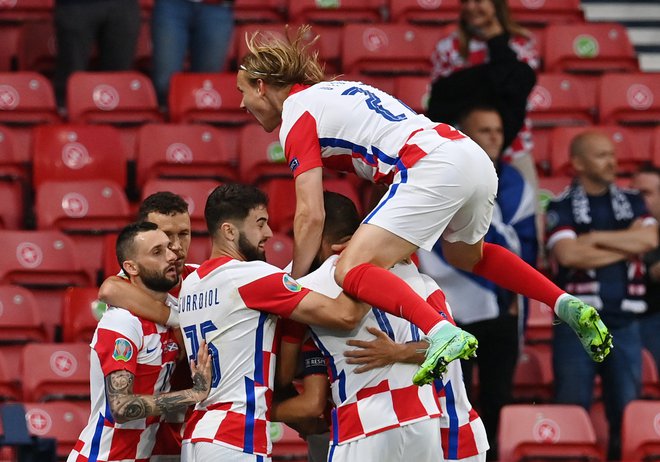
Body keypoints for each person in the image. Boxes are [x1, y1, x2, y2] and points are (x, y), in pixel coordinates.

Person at [236, 24, 612, 386]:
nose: (241, 103)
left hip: (427, 166)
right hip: (468, 155)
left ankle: (440, 331)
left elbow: (310, 213)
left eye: (243, 93)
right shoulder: (337, 91)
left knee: (350, 269)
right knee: (469, 256)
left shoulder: (296, 114)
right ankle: (562, 302)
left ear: (261, 86)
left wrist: (296, 282)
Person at [273, 191, 488, 462]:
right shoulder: (414, 275)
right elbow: (454, 345)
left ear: (315, 234)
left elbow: (283, 371)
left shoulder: (310, 285)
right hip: (424, 418)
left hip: (364, 424)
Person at [177, 183, 372, 461]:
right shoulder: (251, 276)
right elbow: (345, 315)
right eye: (260, 224)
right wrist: (371, 265)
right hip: (235, 437)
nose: (268, 234)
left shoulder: (191, 284)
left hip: (197, 436)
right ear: (229, 231)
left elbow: (279, 374)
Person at [417, 104, 536, 459]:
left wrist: (515, 287)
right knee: (455, 395)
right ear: (464, 134)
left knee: (499, 395)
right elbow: (434, 236)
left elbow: (523, 241)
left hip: (501, 307)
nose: (494, 137)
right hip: (449, 308)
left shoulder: (515, 182)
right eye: (484, 130)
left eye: (498, 130)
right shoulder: (441, 176)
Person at [545, 131, 658, 460]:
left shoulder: (634, 201)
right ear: (578, 162)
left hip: (626, 325)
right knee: (572, 407)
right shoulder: (561, 205)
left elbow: (649, 241)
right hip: (576, 325)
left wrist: (592, 238)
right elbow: (568, 256)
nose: (612, 161)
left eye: (612, 154)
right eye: (601, 155)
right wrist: (625, 244)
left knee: (627, 412)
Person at [68, 221, 212, 462]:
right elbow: (122, 407)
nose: (171, 255)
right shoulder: (122, 322)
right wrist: (194, 394)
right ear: (131, 267)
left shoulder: (173, 312)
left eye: (168, 248)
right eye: (157, 252)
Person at [426, 0, 538, 184]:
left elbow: (517, 90)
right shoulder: (448, 47)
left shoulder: (521, 43)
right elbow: (440, 102)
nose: (470, 7)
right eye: (465, 2)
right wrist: (499, 75)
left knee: (523, 210)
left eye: (478, 1)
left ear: (496, 5)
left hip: (515, 150)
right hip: (461, 153)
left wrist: (497, 43)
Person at [53, 0, 141, 108]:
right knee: (70, 77)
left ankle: (117, 121)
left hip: (123, 5)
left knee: (119, 79)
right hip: (75, 5)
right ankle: (67, 118)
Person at [151, 0, 234, 107]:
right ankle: (164, 119)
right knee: (165, 84)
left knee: (208, 83)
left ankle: (199, 121)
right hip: (171, 4)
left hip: (217, 6)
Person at [631, 165, 660, 372]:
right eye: (634, 193)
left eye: (646, 193)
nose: (639, 199)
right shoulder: (617, 224)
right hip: (627, 317)